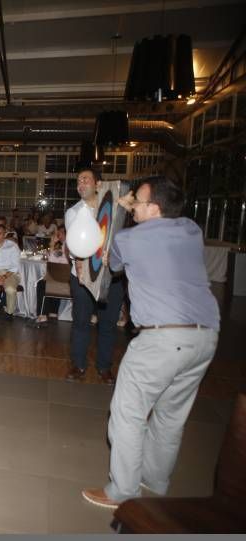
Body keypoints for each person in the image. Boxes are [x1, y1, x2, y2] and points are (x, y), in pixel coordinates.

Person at [81, 177, 220, 510]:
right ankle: (156, 479)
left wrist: (116, 212)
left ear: (154, 208)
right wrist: (133, 209)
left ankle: (123, 491)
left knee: (128, 413)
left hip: (162, 338)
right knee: (171, 416)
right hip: (205, 336)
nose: (134, 206)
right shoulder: (191, 230)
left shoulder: (130, 239)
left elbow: (109, 264)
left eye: (138, 202)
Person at [65, 168, 125, 385]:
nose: (81, 184)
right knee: (81, 322)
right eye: (78, 181)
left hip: (112, 275)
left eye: (86, 179)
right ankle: (78, 364)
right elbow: (75, 246)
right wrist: (79, 264)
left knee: (107, 324)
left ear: (98, 184)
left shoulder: (116, 209)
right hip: (82, 277)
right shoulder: (73, 212)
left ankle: (104, 367)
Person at [34, 225, 69, 324]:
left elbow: (52, 262)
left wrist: (52, 244)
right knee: (48, 279)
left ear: (64, 233)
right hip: (65, 279)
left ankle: (43, 314)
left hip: (64, 282)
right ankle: (53, 311)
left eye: (59, 233)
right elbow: (56, 256)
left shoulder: (66, 247)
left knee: (42, 284)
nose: (57, 235)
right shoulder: (66, 246)